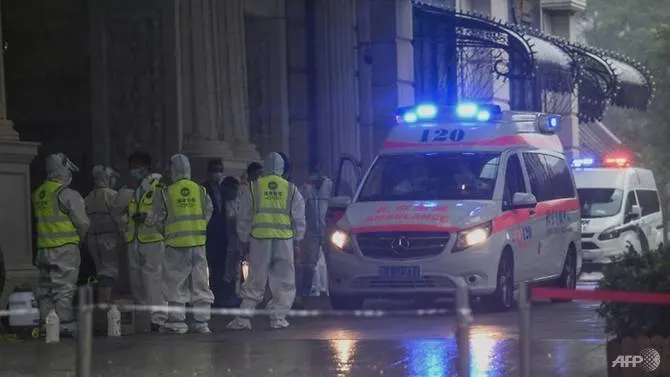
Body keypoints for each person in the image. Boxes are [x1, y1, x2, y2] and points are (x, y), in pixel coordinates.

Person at [226, 152, 306, 330]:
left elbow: (244, 217)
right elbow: (299, 218)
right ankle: (278, 317)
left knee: (255, 279)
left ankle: (244, 318)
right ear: (282, 168)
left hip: (260, 240)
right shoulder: (291, 189)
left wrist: (244, 238)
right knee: (284, 280)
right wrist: (297, 240)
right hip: (284, 241)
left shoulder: (254, 188)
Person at [144, 154, 215, 334]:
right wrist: (197, 228)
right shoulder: (200, 190)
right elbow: (208, 211)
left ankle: (177, 322)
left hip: (175, 244)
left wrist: (167, 232)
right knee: (200, 281)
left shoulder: (166, 193)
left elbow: (157, 218)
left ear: (172, 170)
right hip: (198, 243)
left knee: (176, 282)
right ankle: (202, 322)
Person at [33, 153, 90, 335]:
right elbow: (83, 223)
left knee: (45, 290)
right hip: (64, 248)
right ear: (63, 170)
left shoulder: (38, 194)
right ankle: (63, 325)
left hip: (43, 248)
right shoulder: (67, 194)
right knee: (64, 289)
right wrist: (80, 239)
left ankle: (46, 324)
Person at [115, 151, 166, 331]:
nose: (133, 170)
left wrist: (147, 217)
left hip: (152, 239)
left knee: (153, 281)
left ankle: (158, 319)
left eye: (136, 166)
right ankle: (145, 319)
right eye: (131, 167)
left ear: (146, 166)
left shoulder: (157, 184)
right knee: (137, 282)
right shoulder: (135, 189)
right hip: (135, 239)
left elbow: (163, 211)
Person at [84, 165, 123, 303]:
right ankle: (105, 304)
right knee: (109, 270)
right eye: (111, 177)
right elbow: (119, 218)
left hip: (92, 239)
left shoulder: (89, 197)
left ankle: (103, 302)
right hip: (109, 239)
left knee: (100, 270)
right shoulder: (111, 195)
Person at [298, 162, 333, 300]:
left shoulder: (330, 186)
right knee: (309, 262)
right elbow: (299, 205)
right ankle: (306, 291)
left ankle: (333, 290)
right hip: (312, 230)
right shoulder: (306, 189)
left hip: (328, 230)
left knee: (332, 261)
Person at [204, 159, 228, 307]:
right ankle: (209, 296)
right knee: (208, 267)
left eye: (219, 170)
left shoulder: (224, 189)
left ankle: (219, 297)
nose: (217, 173)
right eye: (214, 170)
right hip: (209, 232)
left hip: (222, 234)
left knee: (221, 267)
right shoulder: (203, 188)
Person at [221, 176, 241, 307]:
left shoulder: (239, 202)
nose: (234, 192)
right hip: (225, 242)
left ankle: (237, 296)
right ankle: (226, 297)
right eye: (232, 189)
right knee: (227, 272)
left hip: (239, 242)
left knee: (238, 271)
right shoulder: (222, 204)